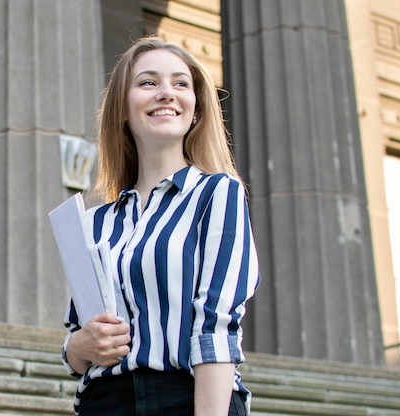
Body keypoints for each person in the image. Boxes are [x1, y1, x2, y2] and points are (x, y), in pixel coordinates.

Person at [62, 35, 260, 416]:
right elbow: (77, 340)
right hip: (105, 403)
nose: (166, 93)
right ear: (123, 107)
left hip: (188, 398)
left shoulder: (218, 193)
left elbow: (216, 327)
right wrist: (79, 347)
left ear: (197, 110)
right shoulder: (95, 222)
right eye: (148, 82)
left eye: (181, 83)